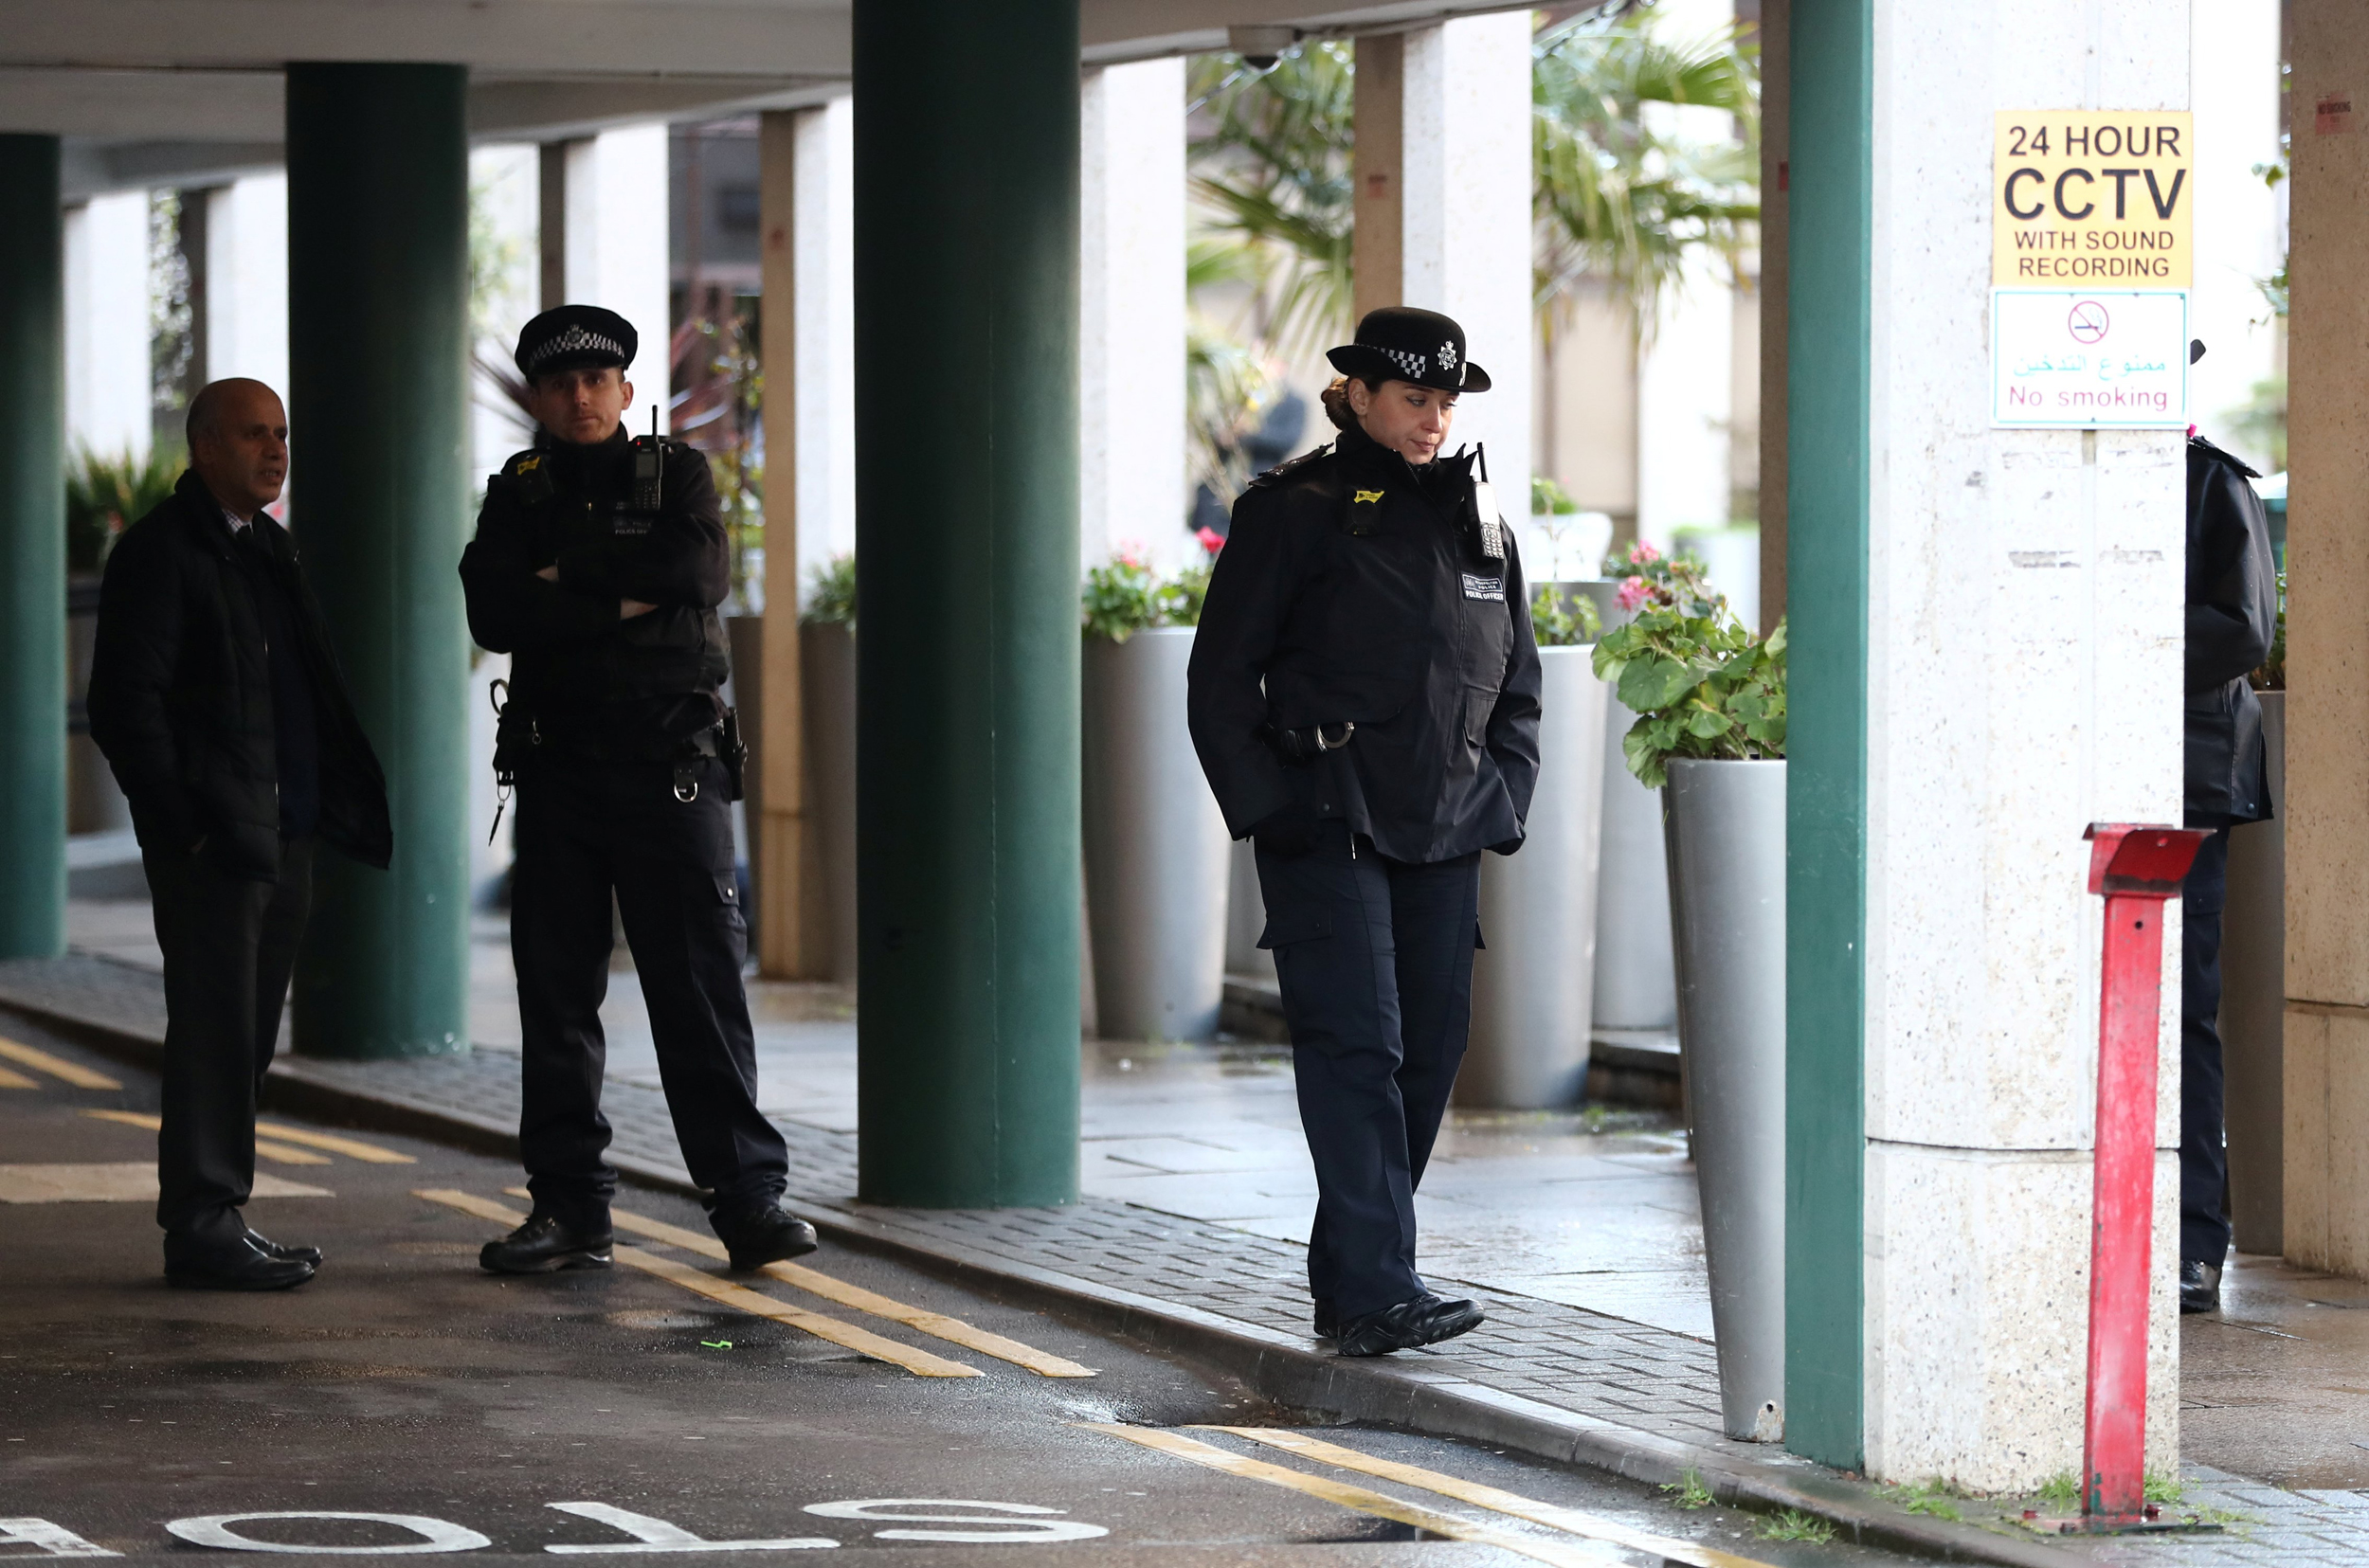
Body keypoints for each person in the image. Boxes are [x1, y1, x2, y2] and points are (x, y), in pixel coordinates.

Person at [1187, 306, 1542, 1357]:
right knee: (1359, 1048)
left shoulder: (1482, 529)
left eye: (1444, 402)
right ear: (1359, 395)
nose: (1431, 420)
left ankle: (1352, 1283)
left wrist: (1503, 796)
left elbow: (1516, 689)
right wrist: (1272, 807)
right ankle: (1382, 1284)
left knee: (1427, 1053)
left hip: (1445, 831)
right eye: (1412, 400)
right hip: (1327, 818)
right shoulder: (1291, 512)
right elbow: (1217, 682)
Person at [460, 305, 815, 1276]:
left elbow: (698, 566)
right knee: (558, 996)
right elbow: (492, 604)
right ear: (538, 395)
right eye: (560, 383)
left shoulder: (679, 474)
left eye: (597, 380)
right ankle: (569, 1208)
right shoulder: (516, 492)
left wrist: (564, 577)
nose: (579, 397)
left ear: (623, 389)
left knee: (697, 988)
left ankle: (748, 1202)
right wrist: (620, 592)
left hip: (672, 769)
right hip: (561, 772)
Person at [87, 378, 391, 1291]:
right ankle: (201, 1222)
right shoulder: (159, 552)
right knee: (215, 1031)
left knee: (248, 1032)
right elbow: (124, 706)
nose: (275, 449)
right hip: (215, 842)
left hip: (280, 835)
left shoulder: (269, 549)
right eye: (255, 434)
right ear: (206, 446)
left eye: (283, 434)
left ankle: (219, 1212)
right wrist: (182, 827)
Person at [2178, 426, 2278, 1315]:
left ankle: (2192, 1244)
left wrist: (2123, 640)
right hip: (2082, 771)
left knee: (2185, 1013)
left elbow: (2245, 626)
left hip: (2190, 779)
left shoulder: (2213, 481)